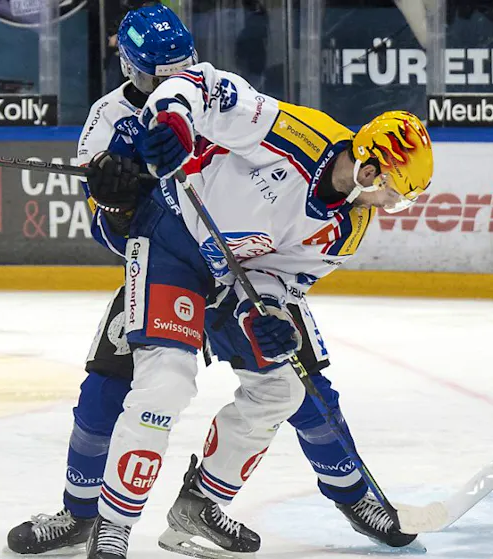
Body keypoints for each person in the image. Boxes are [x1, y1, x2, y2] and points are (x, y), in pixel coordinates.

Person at [81, 57, 433, 558]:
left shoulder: (346, 230)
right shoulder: (291, 132)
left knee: (282, 387)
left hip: (232, 275)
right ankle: (112, 529)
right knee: (166, 383)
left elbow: (283, 276)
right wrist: (176, 119)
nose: (388, 205)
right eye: (391, 192)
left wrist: (268, 312)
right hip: (172, 242)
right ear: (370, 168)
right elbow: (200, 82)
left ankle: (199, 504)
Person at [6, 4, 203, 555]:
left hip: (238, 268)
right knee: (102, 395)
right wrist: (116, 203)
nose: (170, 83)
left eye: (180, 67)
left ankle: (213, 507)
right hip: (163, 268)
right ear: (127, 68)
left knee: (288, 388)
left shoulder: (215, 97)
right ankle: (79, 516)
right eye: (152, 75)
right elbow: (111, 235)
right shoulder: (108, 120)